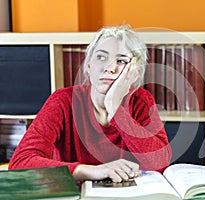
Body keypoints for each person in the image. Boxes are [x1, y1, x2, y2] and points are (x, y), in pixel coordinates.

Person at [9, 25, 172, 183]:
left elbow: (159, 163)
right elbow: (20, 164)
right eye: (101, 57)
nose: (109, 68)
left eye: (121, 61)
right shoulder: (63, 101)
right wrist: (93, 171)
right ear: (88, 65)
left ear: (135, 73)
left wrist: (115, 109)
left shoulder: (141, 101)